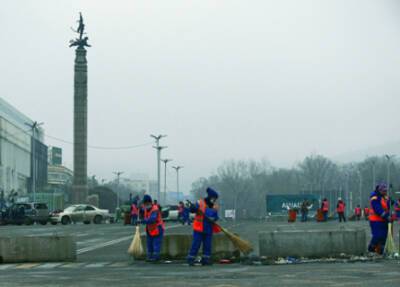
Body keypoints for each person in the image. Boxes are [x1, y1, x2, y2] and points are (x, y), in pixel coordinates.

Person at [187, 187, 220, 266]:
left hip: (208, 229)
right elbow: (191, 209)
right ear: (210, 197)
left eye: (215, 199)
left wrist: (214, 219)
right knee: (196, 244)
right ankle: (191, 259)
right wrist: (193, 208)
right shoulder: (200, 202)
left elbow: (216, 216)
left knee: (207, 245)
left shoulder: (215, 206)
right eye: (213, 198)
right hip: (199, 228)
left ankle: (206, 259)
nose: (214, 200)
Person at [140, 194, 165, 262]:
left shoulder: (155, 209)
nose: (146, 205)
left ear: (150, 203)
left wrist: (143, 221)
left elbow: (152, 219)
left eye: (147, 203)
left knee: (156, 243)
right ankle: (149, 256)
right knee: (149, 243)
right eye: (145, 203)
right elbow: (142, 212)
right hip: (150, 229)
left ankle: (156, 257)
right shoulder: (145, 208)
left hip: (158, 228)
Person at [368, 183, 391, 255]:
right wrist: (386, 216)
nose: (385, 192)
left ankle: (380, 251)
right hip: (375, 220)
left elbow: (388, 205)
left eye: (386, 191)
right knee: (377, 235)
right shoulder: (375, 198)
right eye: (384, 191)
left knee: (383, 236)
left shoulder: (385, 197)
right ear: (380, 190)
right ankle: (371, 249)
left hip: (383, 220)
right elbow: (378, 209)